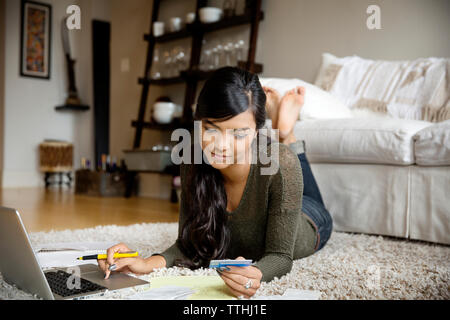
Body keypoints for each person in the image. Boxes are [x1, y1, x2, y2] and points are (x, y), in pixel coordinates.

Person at [97, 67, 333, 299]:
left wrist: (257, 273)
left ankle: (286, 133)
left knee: (287, 162)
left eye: (238, 133)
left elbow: (280, 257)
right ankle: (282, 132)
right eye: (211, 129)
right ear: (198, 122)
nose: (221, 145)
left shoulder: (281, 165)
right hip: (275, 175)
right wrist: (146, 263)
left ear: (257, 131)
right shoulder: (192, 159)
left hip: (311, 218)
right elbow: (187, 245)